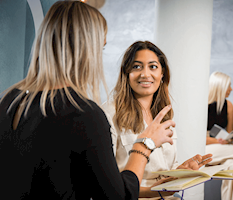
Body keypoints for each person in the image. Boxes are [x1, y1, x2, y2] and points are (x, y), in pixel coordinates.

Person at [0, 2, 175, 199]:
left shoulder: (10, 100)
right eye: (100, 48)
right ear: (86, 50)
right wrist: (144, 145)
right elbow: (119, 196)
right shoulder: (83, 114)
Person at [102, 41, 212, 200]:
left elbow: (163, 169)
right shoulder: (108, 114)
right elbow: (107, 183)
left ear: (162, 75)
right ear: (126, 73)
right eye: (136, 67)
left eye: (152, 67)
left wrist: (179, 171)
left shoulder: (164, 115)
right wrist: (153, 191)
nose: (145, 74)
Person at [205, 72, 233, 200]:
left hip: (220, 147)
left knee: (232, 165)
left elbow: (229, 135)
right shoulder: (202, 105)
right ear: (219, 86)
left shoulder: (228, 105)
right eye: (228, 86)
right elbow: (196, 139)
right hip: (204, 146)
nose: (231, 89)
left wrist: (229, 138)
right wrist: (216, 141)